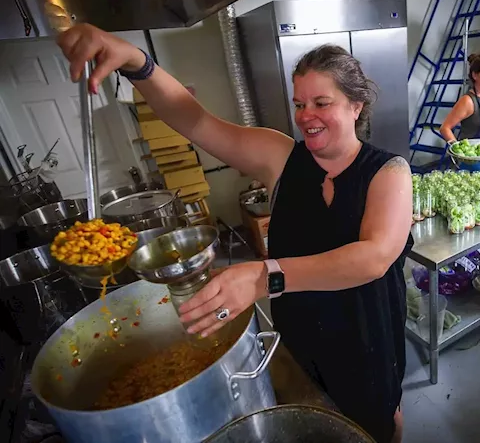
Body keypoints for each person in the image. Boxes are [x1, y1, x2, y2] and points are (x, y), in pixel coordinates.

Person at [57, 25, 413, 443]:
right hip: (301, 337)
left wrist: (264, 276)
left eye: (322, 102)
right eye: (300, 103)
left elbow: (372, 259)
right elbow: (196, 121)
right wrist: (140, 64)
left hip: (367, 340)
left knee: (378, 421)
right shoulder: (280, 157)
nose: (305, 116)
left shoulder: (389, 172)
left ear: (356, 105)